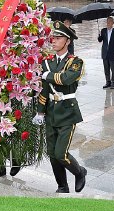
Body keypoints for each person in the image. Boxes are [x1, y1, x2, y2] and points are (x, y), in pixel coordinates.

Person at [33, 21, 87, 193]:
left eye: (58, 38)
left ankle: (79, 172)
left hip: (67, 112)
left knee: (61, 153)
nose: (54, 41)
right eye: (53, 38)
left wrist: (47, 75)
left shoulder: (75, 62)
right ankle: (62, 186)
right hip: (51, 113)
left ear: (68, 41)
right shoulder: (47, 62)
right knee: (52, 153)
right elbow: (45, 88)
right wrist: (40, 112)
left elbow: (66, 79)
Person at [98, 16, 114, 89]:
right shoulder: (103, 30)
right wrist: (99, 36)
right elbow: (100, 40)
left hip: (113, 53)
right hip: (105, 53)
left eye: (110, 22)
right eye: (107, 22)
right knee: (106, 69)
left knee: (113, 69)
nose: (108, 23)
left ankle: (113, 82)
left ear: (113, 23)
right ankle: (108, 82)